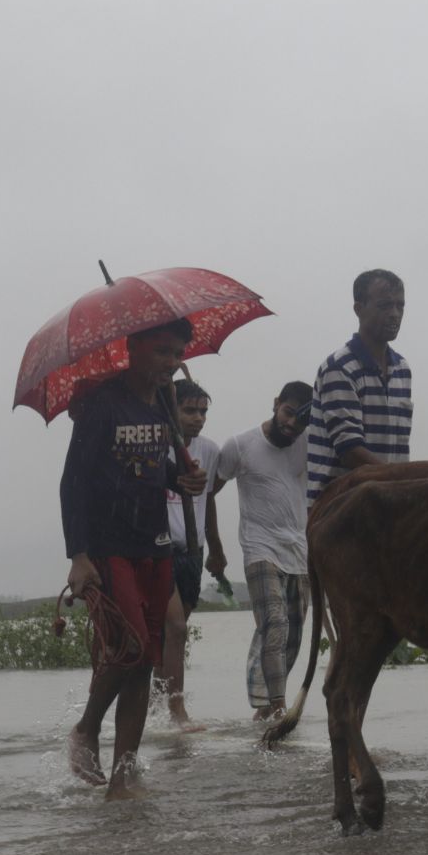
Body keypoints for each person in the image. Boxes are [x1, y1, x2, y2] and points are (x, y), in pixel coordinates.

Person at [60, 319, 208, 798]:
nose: (169, 362)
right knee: (132, 647)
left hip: (156, 543)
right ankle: (85, 729)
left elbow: (148, 468)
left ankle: (124, 774)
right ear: (134, 349)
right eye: (161, 351)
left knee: (145, 659)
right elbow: (73, 482)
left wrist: (178, 478)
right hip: (109, 546)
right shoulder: (103, 404)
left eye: (176, 353)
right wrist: (79, 555)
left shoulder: (165, 405)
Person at [210, 382, 312, 721]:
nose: (292, 424)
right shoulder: (240, 445)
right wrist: (214, 548)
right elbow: (208, 492)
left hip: (299, 551)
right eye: (287, 413)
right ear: (276, 403)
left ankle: (265, 711)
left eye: (301, 419)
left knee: (294, 637)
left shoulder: (309, 444)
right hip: (259, 548)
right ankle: (280, 708)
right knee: (275, 624)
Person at [307, 269, 411, 506]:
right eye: (385, 305)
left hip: (387, 503)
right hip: (340, 510)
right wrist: (407, 481)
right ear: (358, 309)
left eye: (400, 306)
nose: (395, 314)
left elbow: (399, 447)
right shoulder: (339, 367)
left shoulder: (402, 369)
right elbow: (350, 449)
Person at [159, 378, 218, 729]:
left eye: (203, 411)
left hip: (193, 552)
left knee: (170, 637)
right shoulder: (157, 447)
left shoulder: (209, 450)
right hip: (160, 550)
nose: (198, 418)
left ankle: (157, 706)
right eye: (189, 410)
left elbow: (209, 499)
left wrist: (217, 548)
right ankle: (176, 712)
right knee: (176, 628)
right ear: (171, 410)